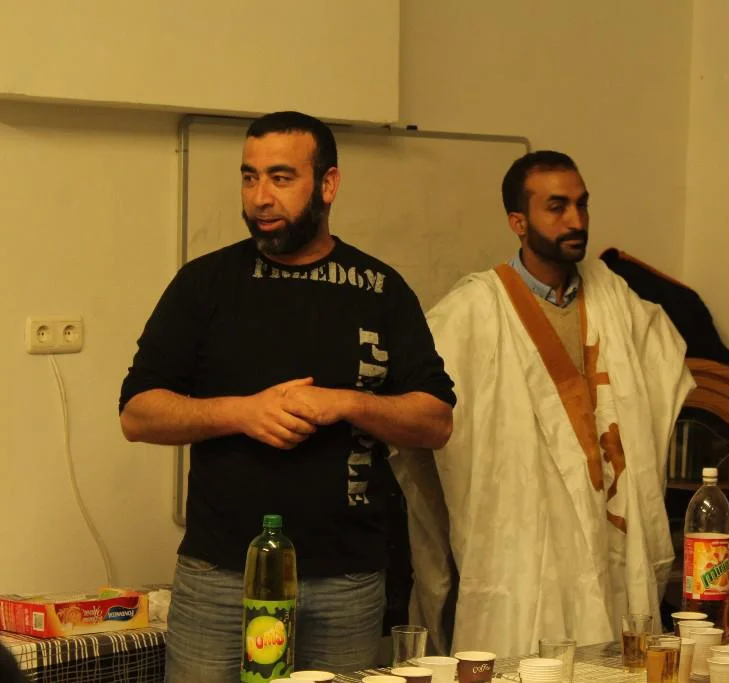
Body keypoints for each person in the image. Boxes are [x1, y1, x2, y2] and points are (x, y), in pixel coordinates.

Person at [119, 111, 455, 682]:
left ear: (328, 184)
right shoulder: (205, 283)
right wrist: (242, 412)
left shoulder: (381, 290)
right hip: (219, 574)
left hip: (345, 580)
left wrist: (349, 403)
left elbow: (436, 421)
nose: (260, 198)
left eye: (280, 178)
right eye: (249, 178)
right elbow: (137, 413)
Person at [394, 151, 695, 658]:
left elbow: (661, 370)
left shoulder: (614, 296)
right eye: (557, 207)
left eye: (582, 204)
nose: (576, 220)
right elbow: (423, 417)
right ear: (518, 221)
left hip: (606, 528)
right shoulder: (472, 310)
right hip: (520, 542)